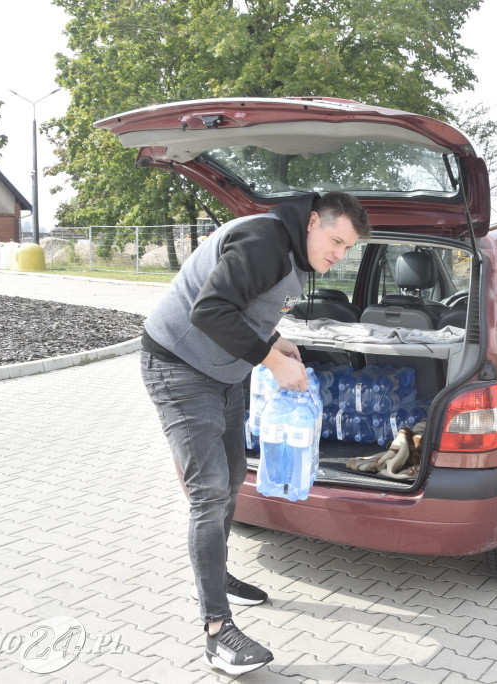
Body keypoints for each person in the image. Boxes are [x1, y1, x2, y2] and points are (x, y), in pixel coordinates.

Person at [139, 191, 370, 675]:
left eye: (348, 248)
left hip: (222, 373)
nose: (339, 254)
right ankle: (217, 632)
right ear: (311, 223)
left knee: (230, 482)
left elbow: (242, 307)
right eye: (335, 239)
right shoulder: (263, 238)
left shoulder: (292, 252)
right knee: (208, 493)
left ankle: (216, 579)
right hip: (178, 367)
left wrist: (270, 339)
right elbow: (210, 310)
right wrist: (269, 359)